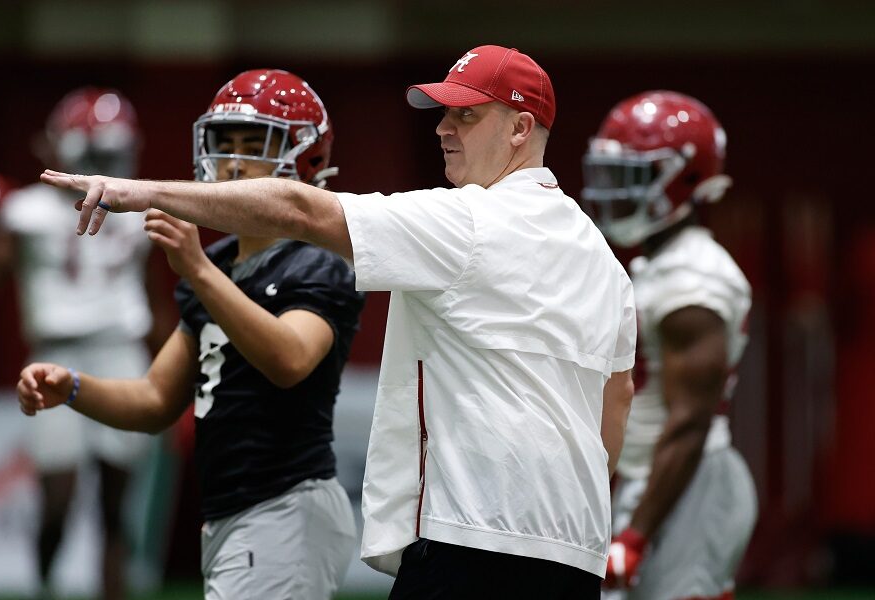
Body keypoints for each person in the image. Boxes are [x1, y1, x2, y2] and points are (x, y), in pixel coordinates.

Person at [38, 45, 636, 599]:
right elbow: (616, 401)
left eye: (466, 116)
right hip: (573, 549)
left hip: (469, 535)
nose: (441, 129)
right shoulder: (604, 262)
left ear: (521, 128)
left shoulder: (469, 220)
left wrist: (133, 192)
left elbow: (299, 209)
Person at [18, 70, 365, 599]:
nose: (232, 163)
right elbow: (156, 398)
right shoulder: (223, 259)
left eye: (255, 146)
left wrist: (198, 271)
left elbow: (291, 360)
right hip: (233, 509)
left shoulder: (320, 260)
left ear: (306, 156)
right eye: (224, 145)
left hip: (285, 504)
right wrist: (74, 388)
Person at [0, 88, 170, 600]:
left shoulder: (137, 208)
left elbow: (153, 298)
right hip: (57, 350)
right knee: (58, 500)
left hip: (121, 349)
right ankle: (46, 585)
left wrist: (171, 371)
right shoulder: (27, 211)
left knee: (118, 506)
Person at [580, 91, 757, 599]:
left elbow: (689, 422)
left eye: (631, 176)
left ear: (684, 179)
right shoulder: (660, 266)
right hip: (656, 476)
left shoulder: (692, 280)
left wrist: (637, 533)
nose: (614, 191)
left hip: (687, 481)